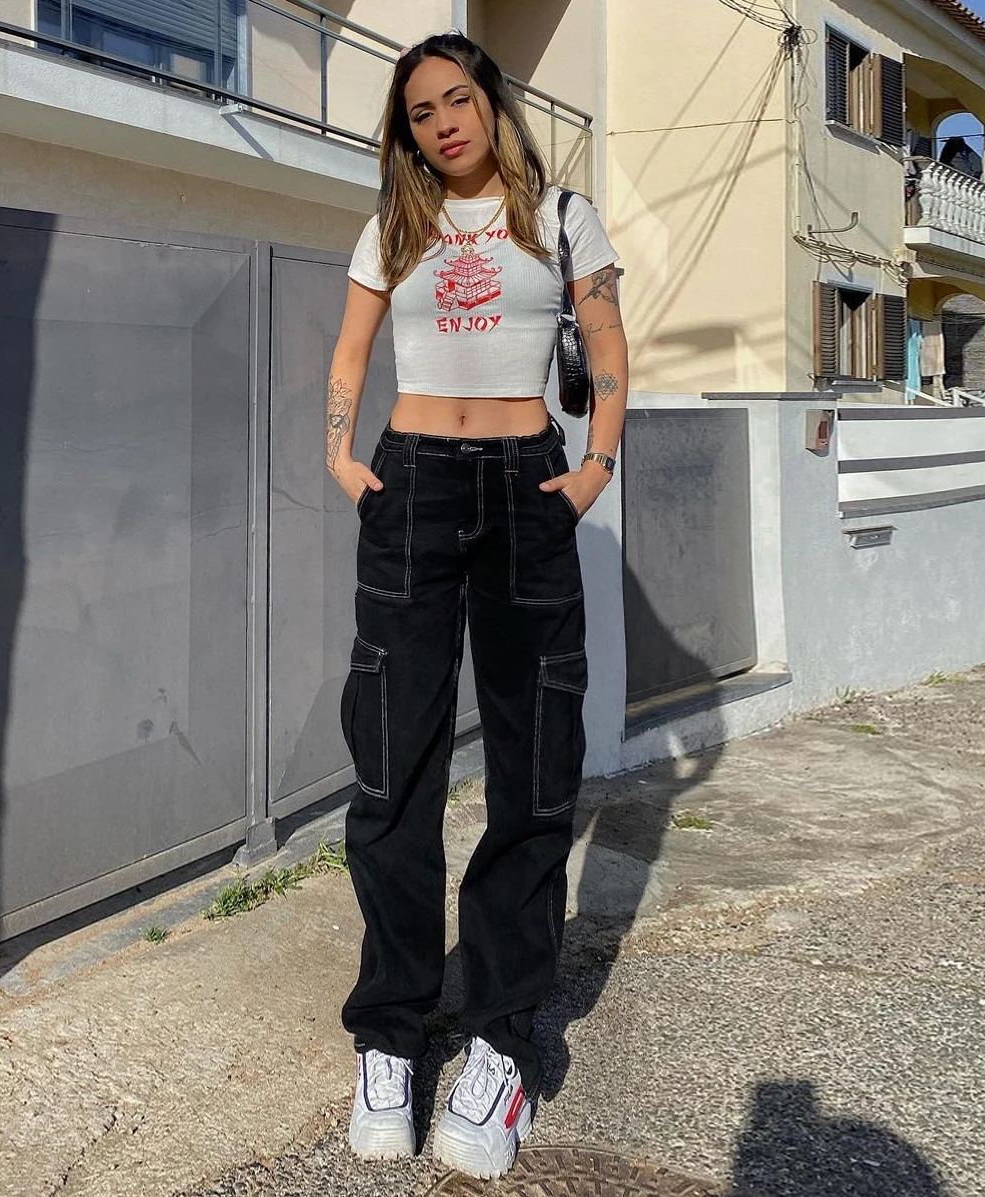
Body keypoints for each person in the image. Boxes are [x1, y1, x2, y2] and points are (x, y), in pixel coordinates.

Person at [325, 31, 627, 1180]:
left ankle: (502, 1045)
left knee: (533, 765)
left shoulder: (563, 219)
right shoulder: (391, 228)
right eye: (421, 112)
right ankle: (390, 1036)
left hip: (527, 486)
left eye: (459, 99)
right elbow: (351, 351)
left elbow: (608, 342)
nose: (444, 122)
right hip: (412, 487)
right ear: (405, 133)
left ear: (493, 104)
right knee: (390, 766)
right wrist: (343, 456)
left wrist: (595, 466)